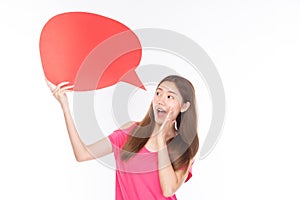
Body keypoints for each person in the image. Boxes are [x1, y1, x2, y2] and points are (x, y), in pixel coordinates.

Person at [46, 75, 199, 200]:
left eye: (170, 96)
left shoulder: (183, 147)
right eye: (158, 93)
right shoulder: (131, 132)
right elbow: (82, 154)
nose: (161, 100)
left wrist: (160, 140)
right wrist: (64, 105)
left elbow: (168, 190)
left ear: (184, 106)